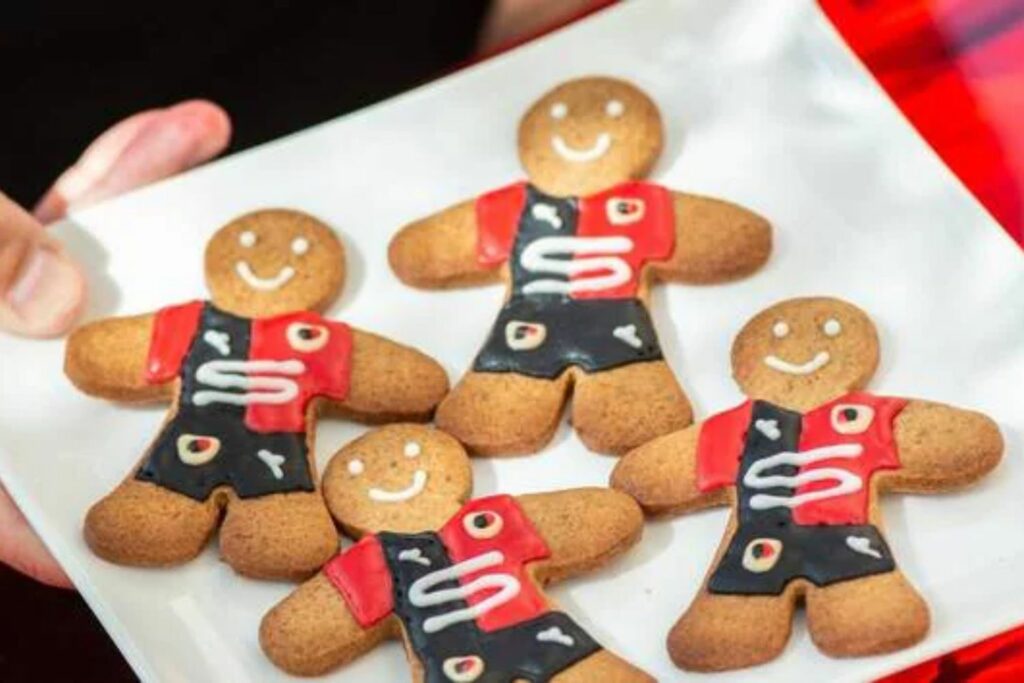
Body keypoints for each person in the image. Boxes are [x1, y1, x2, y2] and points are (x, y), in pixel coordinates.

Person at [0, 0, 612, 591]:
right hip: (62, 193)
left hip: (431, 74)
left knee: (279, 518)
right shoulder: (203, 331)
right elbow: (103, 351)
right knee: (175, 511)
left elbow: (406, 378)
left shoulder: (309, 340)